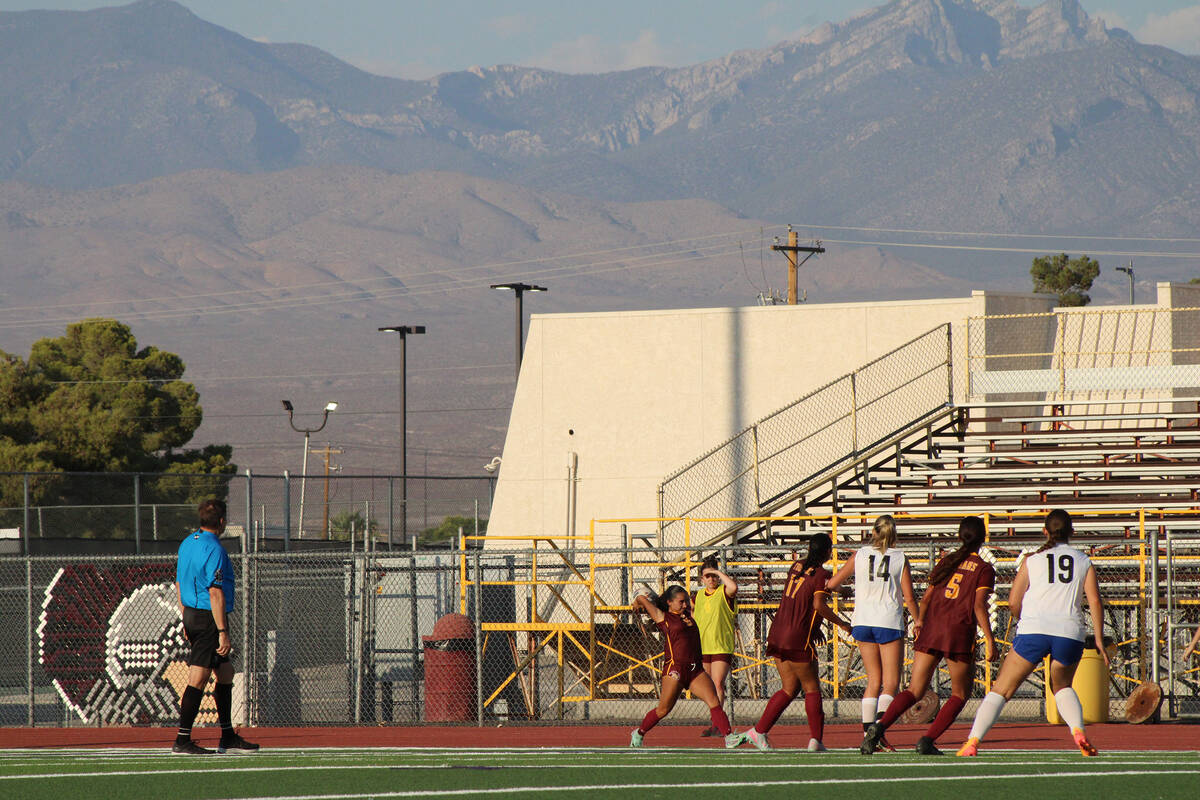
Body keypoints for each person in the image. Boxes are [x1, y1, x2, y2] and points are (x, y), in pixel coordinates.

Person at [955, 509, 1107, 757]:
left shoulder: (1031, 560)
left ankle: (972, 741)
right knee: (1062, 686)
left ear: (1044, 532)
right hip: (1069, 632)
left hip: (1034, 629)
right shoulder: (1082, 560)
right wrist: (1098, 638)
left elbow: (1014, 601)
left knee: (1001, 690)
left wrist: (1023, 620)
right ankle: (1078, 731)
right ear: (1072, 532)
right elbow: (1095, 602)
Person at [860, 515, 996, 756]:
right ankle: (927, 740)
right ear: (983, 538)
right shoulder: (984, 569)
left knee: (914, 690)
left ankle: (878, 727)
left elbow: (926, 598)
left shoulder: (947, 561)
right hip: (957, 631)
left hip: (932, 627)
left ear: (958, 536)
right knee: (959, 693)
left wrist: (920, 621)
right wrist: (990, 640)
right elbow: (978, 605)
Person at [732, 532, 852, 752]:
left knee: (789, 688)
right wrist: (843, 624)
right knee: (812, 688)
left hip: (778, 631)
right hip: (797, 636)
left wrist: (840, 592)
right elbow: (818, 604)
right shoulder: (822, 574)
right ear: (828, 552)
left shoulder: (796, 565)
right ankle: (816, 740)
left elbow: (810, 589)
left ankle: (758, 732)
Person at [172, 499, 259, 755]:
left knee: (226, 672)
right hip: (209, 618)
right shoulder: (215, 549)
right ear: (221, 522)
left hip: (192, 614)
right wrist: (222, 632)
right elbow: (215, 593)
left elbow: (178, 583)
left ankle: (228, 736)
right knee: (198, 679)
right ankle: (182, 740)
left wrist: (185, 616)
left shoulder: (188, 542)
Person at [826, 515, 918, 751]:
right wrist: (918, 620)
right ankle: (878, 732)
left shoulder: (860, 554)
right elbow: (908, 597)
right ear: (893, 534)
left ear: (874, 532)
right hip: (888, 620)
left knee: (873, 681)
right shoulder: (900, 557)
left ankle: (868, 733)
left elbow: (832, 583)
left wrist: (846, 590)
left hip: (863, 620)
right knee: (891, 683)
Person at [630, 585, 740, 748]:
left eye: (687, 601)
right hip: (675, 670)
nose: (685, 604)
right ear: (669, 602)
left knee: (713, 701)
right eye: (681, 602)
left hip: (695, 670)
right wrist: (640, 598)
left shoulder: (688, 615)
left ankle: (729, 737)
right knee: (663, 710)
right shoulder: (663, 617)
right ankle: (639, 733)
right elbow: (641, 599)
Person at [693, 555, 738, 736]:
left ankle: (719, 725)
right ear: (701, 579)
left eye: (713, 576)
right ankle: (716, 722)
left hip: (721, 645)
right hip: (703, 646)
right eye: (707, 576)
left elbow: (733, 587)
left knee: (718, 684)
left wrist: (718, 571)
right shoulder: (698, 596)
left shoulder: (724, 592)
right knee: (709, 687)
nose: (711, 579)